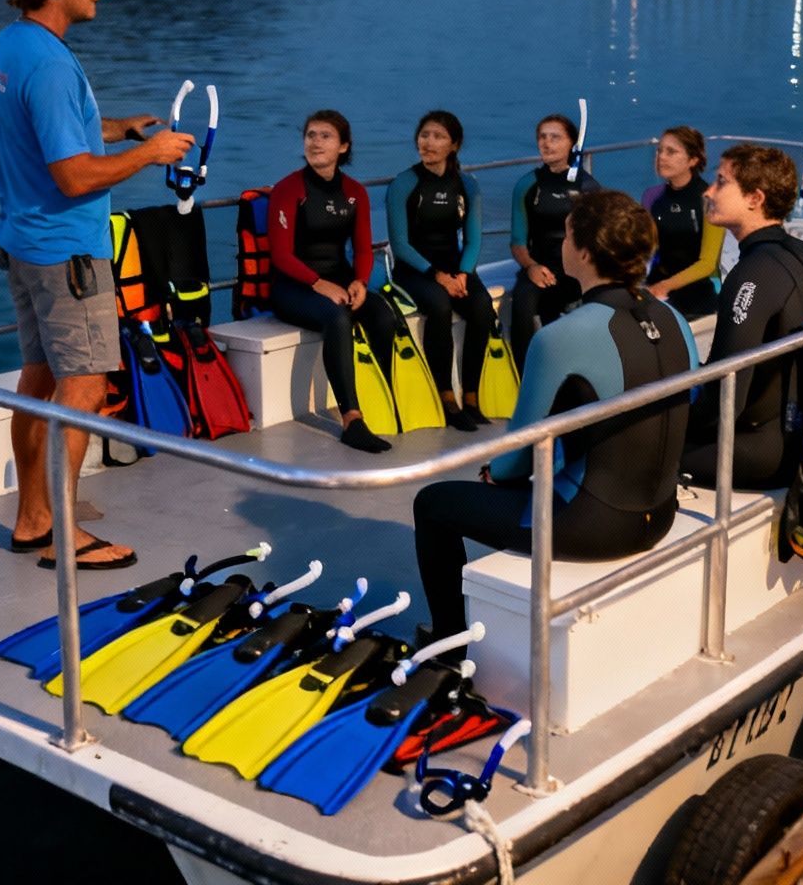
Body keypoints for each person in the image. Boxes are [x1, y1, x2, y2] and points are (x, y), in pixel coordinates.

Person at [0, 0, 194, 569]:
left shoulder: (12, 47)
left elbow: (52, 131)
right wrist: (148, 152)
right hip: (67, 255)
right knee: (85, 388)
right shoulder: (49, 62)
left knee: (37, 381)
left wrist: (114, 125)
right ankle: (62, 533)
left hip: (23, 243)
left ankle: (31, 517)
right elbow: (72, 174)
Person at [413, 190, 698, 640]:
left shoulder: (562, 336)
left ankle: (447, 641)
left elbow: (516, 457)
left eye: (566, 234)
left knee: (432, 503)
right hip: (660, 512)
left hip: (592, 528)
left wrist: (494, 474)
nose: (562, 244)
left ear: (582, 251)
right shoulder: (673, 317)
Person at [680, 145, 803, 490]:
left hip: (763, 453)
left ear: (755, 198)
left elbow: (724, 398)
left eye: (721, 182)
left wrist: (667, 424)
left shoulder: (753, 273)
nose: (708, 191)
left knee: (631, 449)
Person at [268, 110, 399, 454]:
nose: (315, 142)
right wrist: (318, 283)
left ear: (344, 146)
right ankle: (351, 420)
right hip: (292, 287)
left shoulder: (355, 192)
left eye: (325, 136)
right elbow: (281, 256)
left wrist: (360, 281)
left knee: (383, 315)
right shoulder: (289, 189)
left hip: (340, 281)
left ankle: (382, 401)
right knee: (337, 318)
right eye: (311, 135)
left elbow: (363, 248)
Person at [385, 111, 495, 431]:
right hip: (414, 270)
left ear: (454, 145)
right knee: (439, 305)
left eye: (438, 137)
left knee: (482, 307)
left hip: (453, 267)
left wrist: (462, 274)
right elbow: (400, 244)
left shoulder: (467, 185)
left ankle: (472, 397)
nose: (428, 143)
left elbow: (473, 239)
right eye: (424, 135)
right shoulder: (405, 183)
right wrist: (439, 276)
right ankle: (447, 397)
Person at [508, 113, 602, 365]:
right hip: (538, 267)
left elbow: (598, 240)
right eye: (542, 137)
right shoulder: (527, 185)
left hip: (577, 269)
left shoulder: (588, 187)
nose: (547, 143)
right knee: (523, 305)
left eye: (555, 137)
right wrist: (531, 267)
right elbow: (517, 241)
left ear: (572, 143)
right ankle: (525, 374)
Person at [642, 126, 723, 319]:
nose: (661, 157)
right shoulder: (651, 196)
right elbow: (645, 246)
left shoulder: (709, 199)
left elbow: (708, 264)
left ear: (693, 160)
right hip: (656, 287)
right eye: (659, 150)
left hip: (696, 294)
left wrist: (665, 286)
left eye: (671, 152)